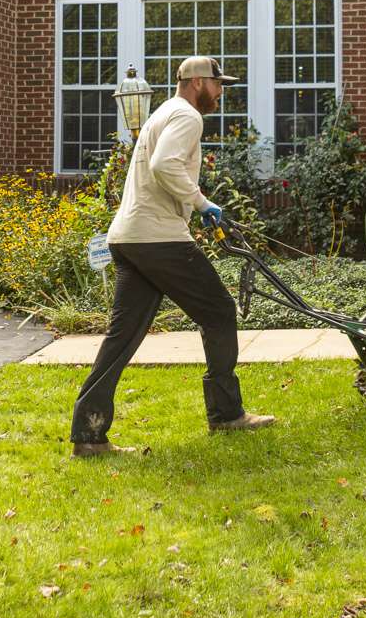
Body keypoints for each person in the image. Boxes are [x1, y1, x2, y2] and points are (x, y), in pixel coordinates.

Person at [69, 55, 277, 457]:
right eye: (219, 85)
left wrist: (189, 207)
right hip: (157, 238)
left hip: (129, 236)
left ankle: (88, 436)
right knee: (218, 311)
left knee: (122, 337)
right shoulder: (187, 116)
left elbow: (158, 169)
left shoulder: (163, 112)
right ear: (198, 82)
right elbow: (166, 164)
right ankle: (226, 414)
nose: (220, 92)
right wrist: (202, 204)